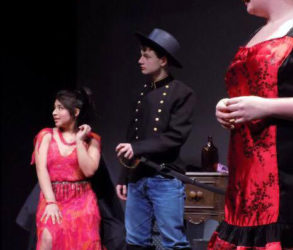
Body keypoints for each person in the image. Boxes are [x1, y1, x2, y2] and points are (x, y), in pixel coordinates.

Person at [209, 0, 293, 248]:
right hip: (245, 182)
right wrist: (227, 106)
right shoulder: (258, 34)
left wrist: (266, 107)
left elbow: (266, 98)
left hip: (286, 183)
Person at [115, 28, 196, 250]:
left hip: (165, 177)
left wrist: (137, 148)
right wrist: (124, 176)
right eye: (140, 54)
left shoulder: (182, 93)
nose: (140, 60)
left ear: (162, 60)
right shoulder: (141, 93)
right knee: (135, 241)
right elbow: (132, 135)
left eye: (146, 56)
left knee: (173, 242)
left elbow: (175, 136)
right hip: (137, 176)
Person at [32, 88, 105, 249]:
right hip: (53, 196)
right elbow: (41, 169)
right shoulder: (46, 135)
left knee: (84, 243)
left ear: (75, 112)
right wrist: (51, 202)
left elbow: (89, 171)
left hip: (82, 200)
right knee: (47, 238)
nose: (54, 113)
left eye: (60, 108)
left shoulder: (92, 140)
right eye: (54, 108)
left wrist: (79, 141)